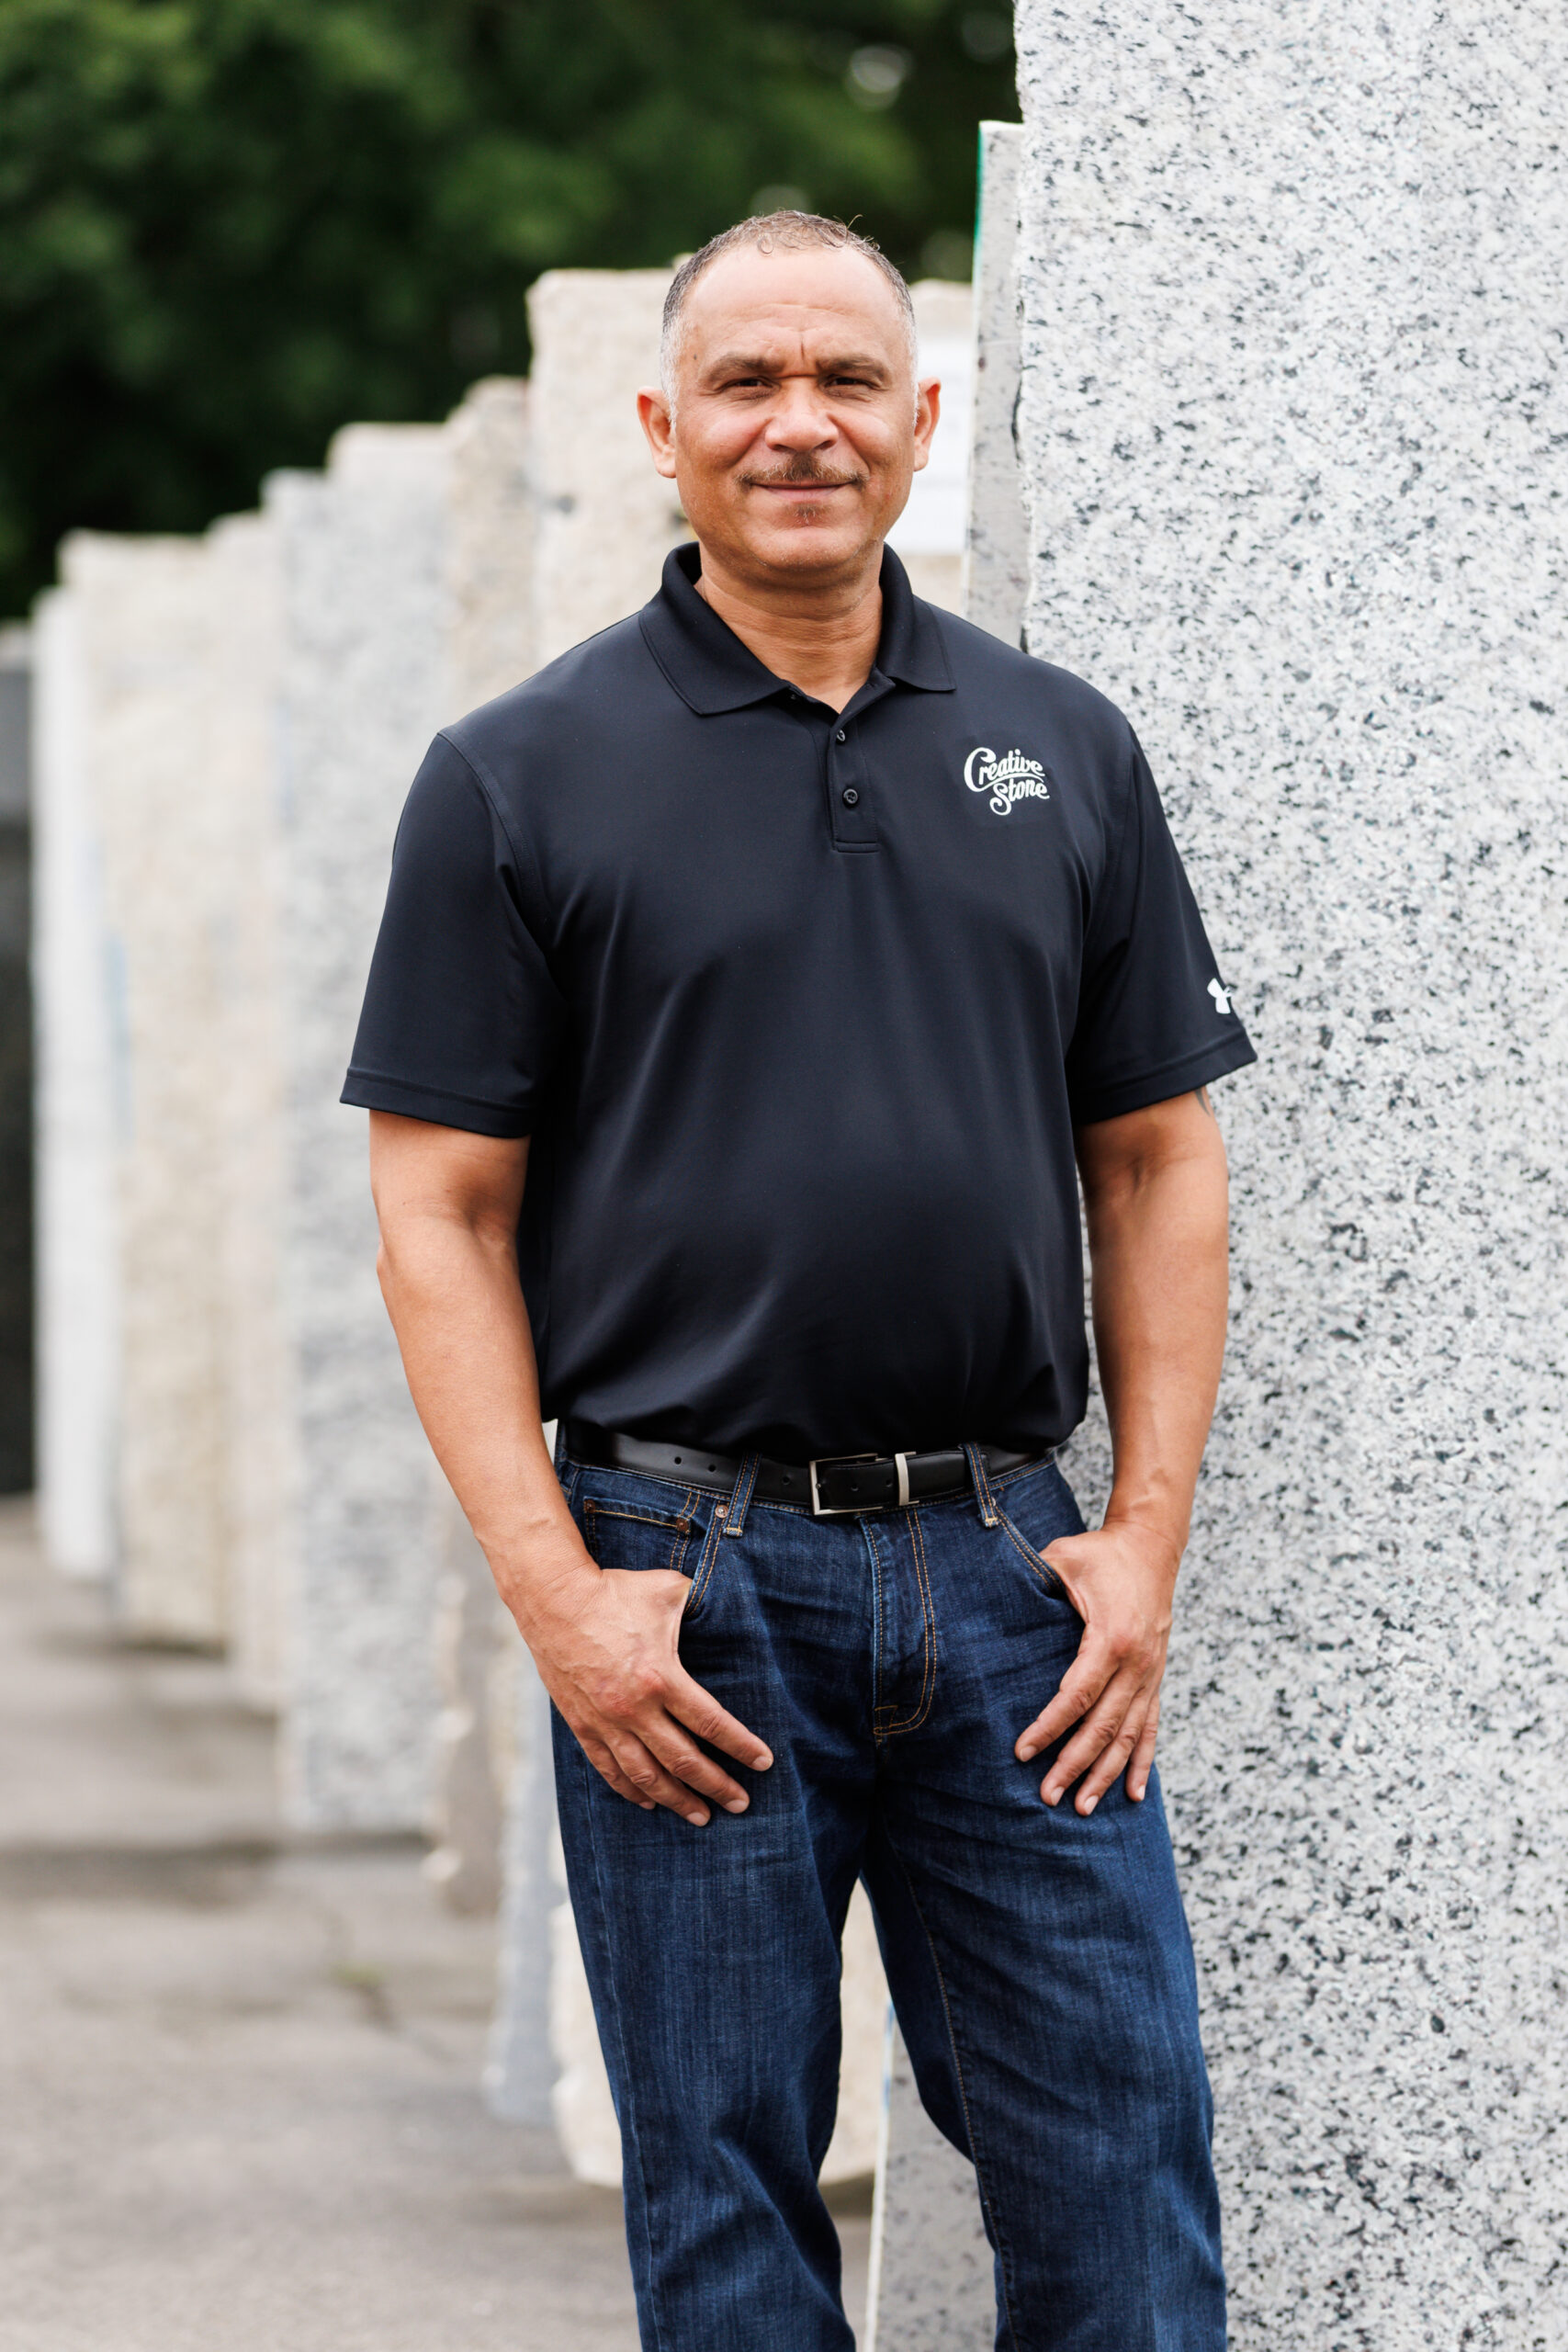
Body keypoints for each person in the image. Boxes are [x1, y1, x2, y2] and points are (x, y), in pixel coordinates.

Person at [344, 210, 1255, 2352]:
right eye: (745, 383)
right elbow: (436, 1218)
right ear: (660, 428)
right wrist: (558, 1594)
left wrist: (1139, 1538)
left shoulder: (1058, 748)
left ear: (920, 420)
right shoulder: (519, 774)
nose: (799, 424)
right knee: (731, 2207)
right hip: (686, 1575)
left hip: (1018, 1588)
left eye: (845, 379)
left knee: (1118, 2177)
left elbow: (1154, 1157)